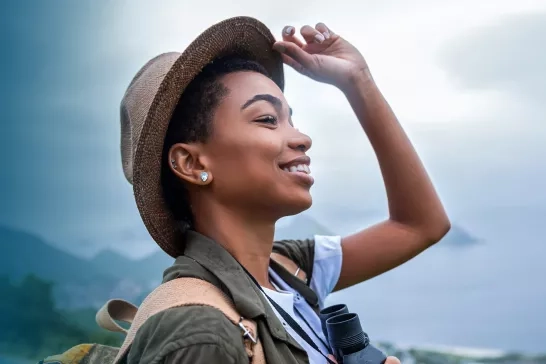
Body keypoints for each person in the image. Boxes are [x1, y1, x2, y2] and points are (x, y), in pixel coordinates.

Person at [119, 16, 450, 364]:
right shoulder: (200, 333)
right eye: (266, 119)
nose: (301, 138)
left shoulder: (285, 270)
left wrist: (358, 81)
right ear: (192, 164)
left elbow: (420, 226)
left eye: (290, 119)